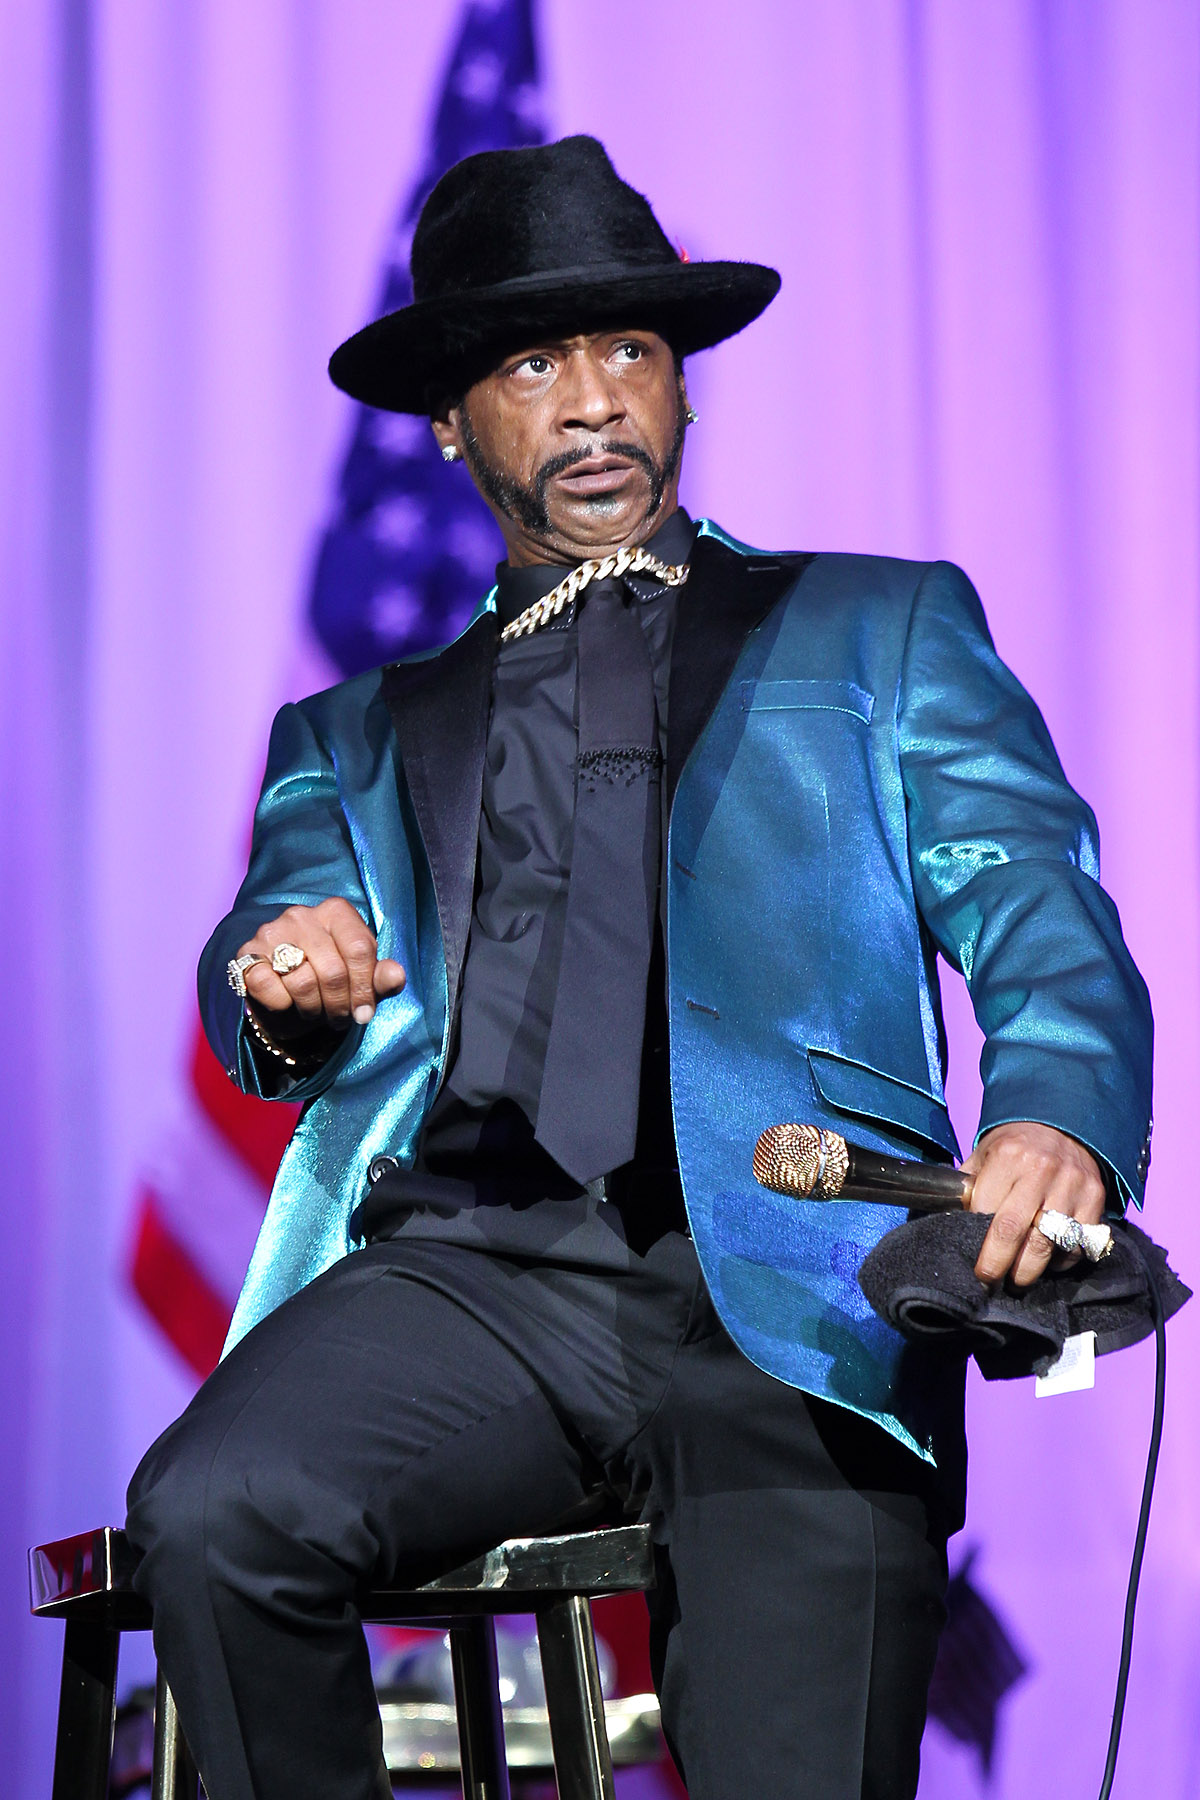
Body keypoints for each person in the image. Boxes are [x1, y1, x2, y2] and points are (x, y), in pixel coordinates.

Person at [126, 135, 1153, 1800]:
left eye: (631, 351)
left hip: (798, 1277)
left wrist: (1058, 1114)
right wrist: (279, 978)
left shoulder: (877, 625)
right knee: (217, 1508)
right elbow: (278, 943)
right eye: (537, 365)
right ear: (451, 420)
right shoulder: (353, 733)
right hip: (475, 1275)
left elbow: (1037, 900)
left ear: (682, 385)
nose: (597, 401)